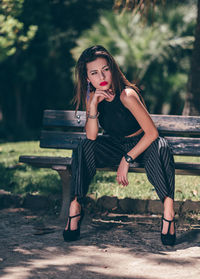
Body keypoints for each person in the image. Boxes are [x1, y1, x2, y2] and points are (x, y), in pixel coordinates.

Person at [63, 45, 176, 246]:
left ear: (112, 68)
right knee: (83, 146)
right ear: (88, 78)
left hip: (143, 144)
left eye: (105, 69)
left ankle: (168, 207)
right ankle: (76, 204)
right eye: (94, 73)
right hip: (115, 144)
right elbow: (91, 137)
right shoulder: (93, 97)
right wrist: (92, 106)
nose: (102, 76)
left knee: (162, 147)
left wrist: (127, 159)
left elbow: (152, 133)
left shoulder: (127, 95)